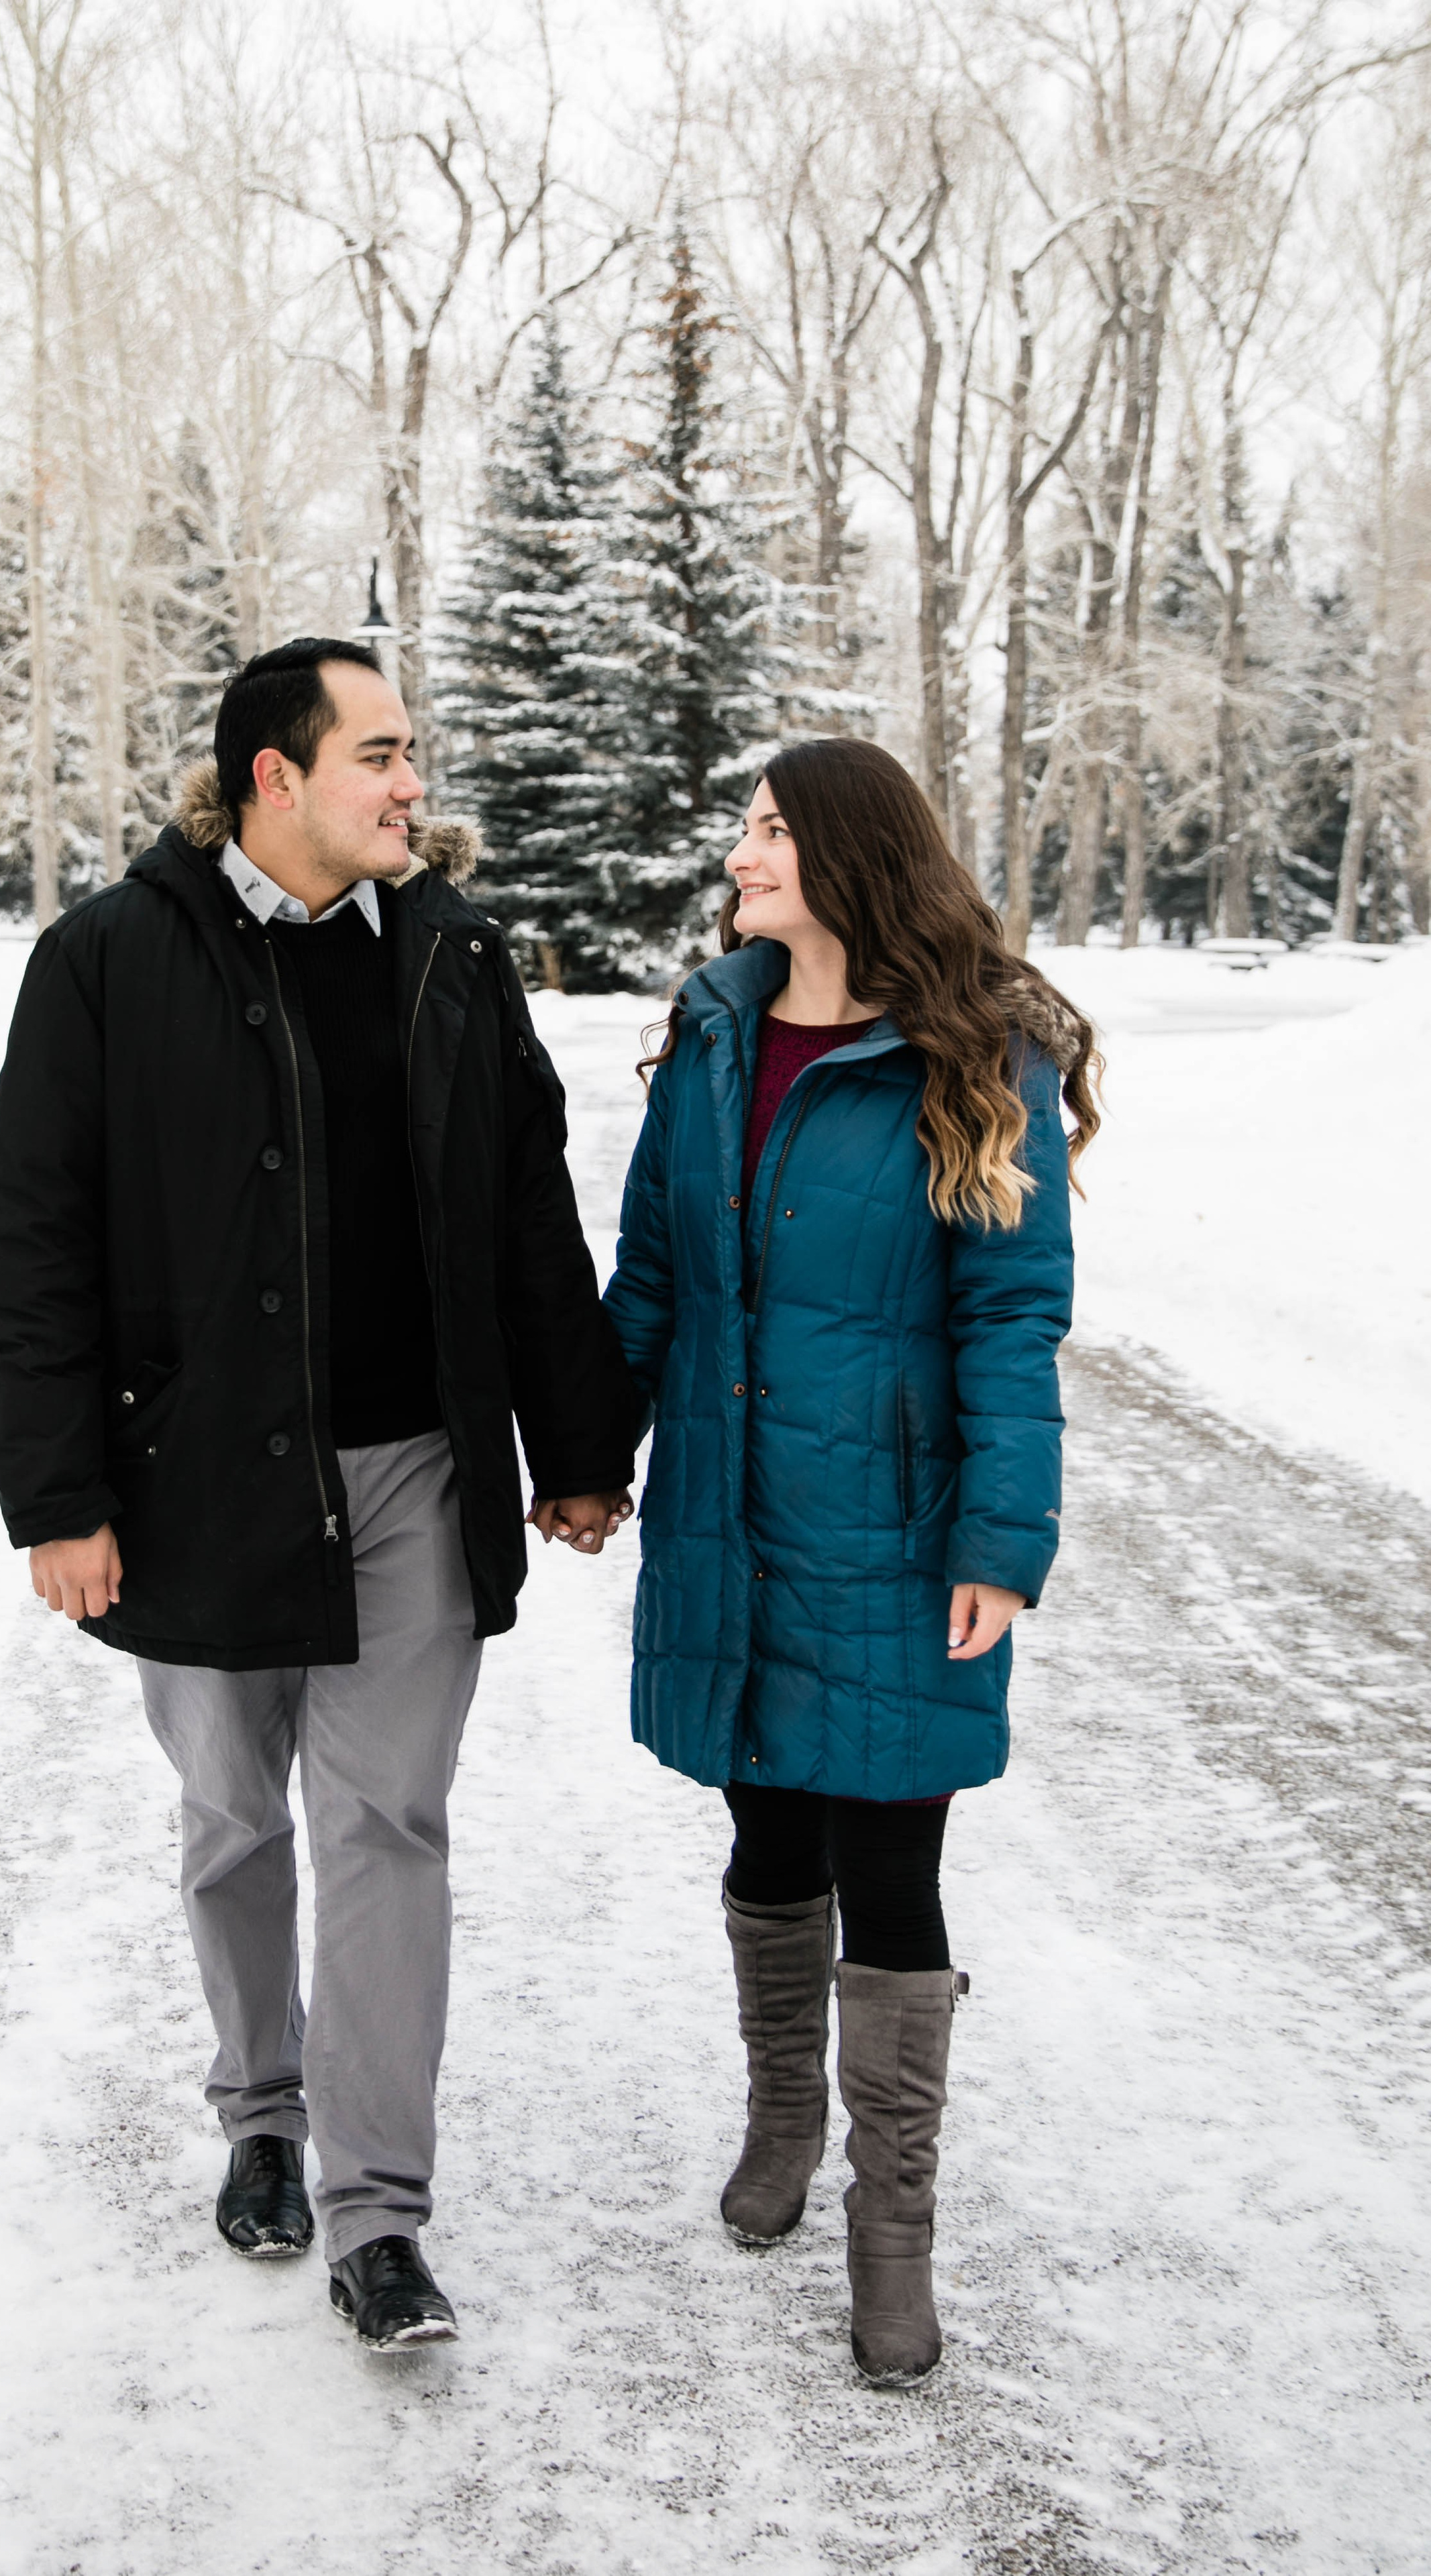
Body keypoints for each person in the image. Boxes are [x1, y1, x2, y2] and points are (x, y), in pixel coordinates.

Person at [0, 639, 635, 2350]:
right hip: (192, 1476)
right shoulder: (108, 961)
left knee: (386, 1823)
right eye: (381, 753)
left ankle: (375, 2214)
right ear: (276, 776)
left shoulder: (455, 956)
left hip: (414, 1467)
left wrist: (574, 1448)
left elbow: (525, 1217)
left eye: (410, 752)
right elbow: (34, 1247)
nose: (412, 782)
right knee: (233, 1817)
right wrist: (57, 1496)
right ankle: (260, 2112)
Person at [601, 737, 1098, 2385]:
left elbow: (1011, 1308)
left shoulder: (971, 1050)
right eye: (740, 827)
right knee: (765, 1832)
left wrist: (998, 1538)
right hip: (730, 1507)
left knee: (889, 1865)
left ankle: (895, 2232)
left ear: (844, 853)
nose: (737, 854)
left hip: (890, 1532)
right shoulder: (710, 1031)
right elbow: (651, 1274)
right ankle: (779, 2117)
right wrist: (590, 1460)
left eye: (763, 831)